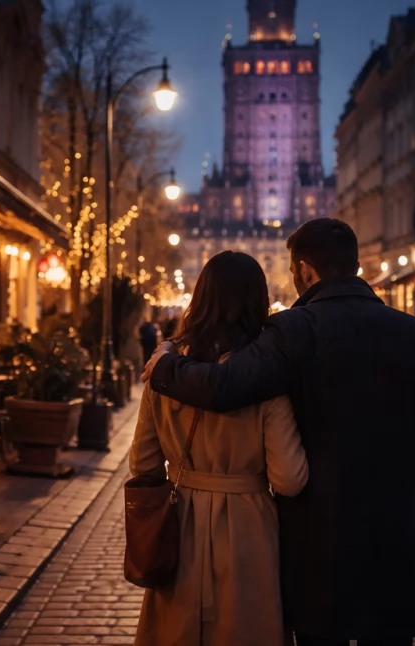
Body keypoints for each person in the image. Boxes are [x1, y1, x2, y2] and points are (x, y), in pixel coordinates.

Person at [142, 218, 415, 645]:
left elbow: (223, 387)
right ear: (354, 265)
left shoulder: (293, 330)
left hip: (317, 541)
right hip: (398, 538)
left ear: (306, 270)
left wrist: (164, 367)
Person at [131, 251, 308, 645]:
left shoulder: (164, 367)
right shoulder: (265, 377)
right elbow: (290, 478)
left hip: (179, 524)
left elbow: (141, 462)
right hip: (249, 528)